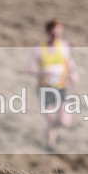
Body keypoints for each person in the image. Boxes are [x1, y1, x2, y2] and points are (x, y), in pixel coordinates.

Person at [26, 19, 79, 151]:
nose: (56, 35)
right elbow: (30, 68)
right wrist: (43, 71)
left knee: (65, 122)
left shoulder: (64, 46)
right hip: (44, 88)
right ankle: (50, 142)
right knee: (50, 118)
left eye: (59, 33)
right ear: (48, 32)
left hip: (61, 87)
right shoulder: (39, 48)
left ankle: (54, 132)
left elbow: (69, 62)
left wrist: (73, 74)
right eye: (54, 33)